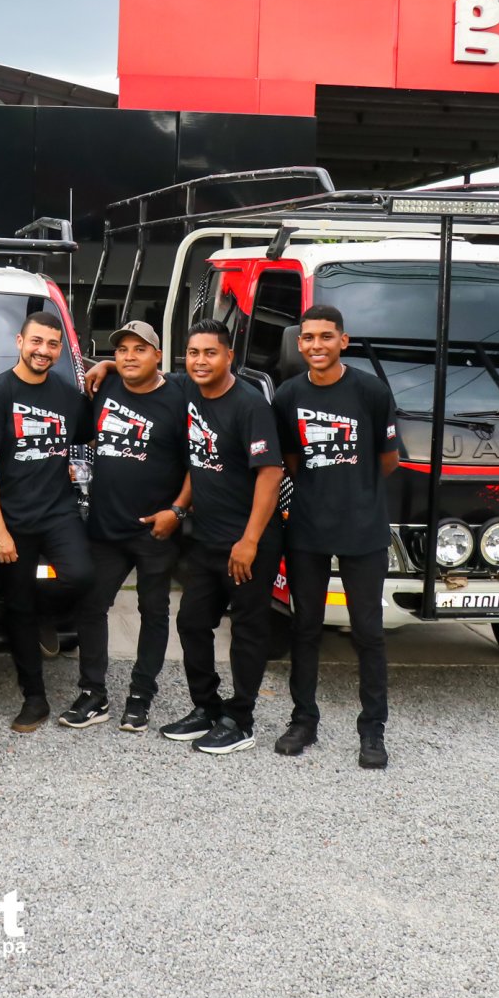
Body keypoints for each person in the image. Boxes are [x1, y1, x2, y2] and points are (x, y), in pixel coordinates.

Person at [273, 304, 400, 770]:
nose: (317, 345)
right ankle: (303, 721)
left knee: (368, 632)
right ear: (299, 343)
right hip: (307, 530)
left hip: (363, 530)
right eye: (308, 338)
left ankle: (372, 731)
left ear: (343, 341)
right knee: (305, 628)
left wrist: (353, 489)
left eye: (326, 337)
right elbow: (291, 460)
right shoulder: (287, 396)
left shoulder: (370, 391)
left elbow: (388, 460)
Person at [0, 311, 95, 733]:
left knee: (81, 576)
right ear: (20, 342)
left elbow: (90, 434)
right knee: (18, 605)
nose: (44, 350)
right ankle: (34, 698)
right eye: (36, 341)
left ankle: (44, 614)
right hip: (13, 518)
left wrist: (107, 368)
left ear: (60, 350)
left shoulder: (68, 396)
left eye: (52, 344)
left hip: (58, 511)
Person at [164, 321, 285, 756]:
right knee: (192, 622)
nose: (200, 361)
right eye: (193, 353)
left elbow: (271, 474)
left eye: (210, 353)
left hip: (248, 542)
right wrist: (103, 365)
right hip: (208, 539)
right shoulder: (190, 388)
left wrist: (249, 541)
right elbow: (147, 373)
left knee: (247, 630)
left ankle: (241, 720)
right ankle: (207, 707)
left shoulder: (250, 406)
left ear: (229, 356)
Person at [67, 320, 190, 732]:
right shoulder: (105, 387)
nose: (129, 356)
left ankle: (141, 695)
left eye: (140, 349)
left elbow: (196, 463)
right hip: (106, 526)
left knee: (153, 611)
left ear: (158, 355)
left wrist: (177, 510)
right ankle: (93, 693)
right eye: (121, 350)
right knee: (91, 606)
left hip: (156, 530)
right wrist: (104, 366)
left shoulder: (179, 396)